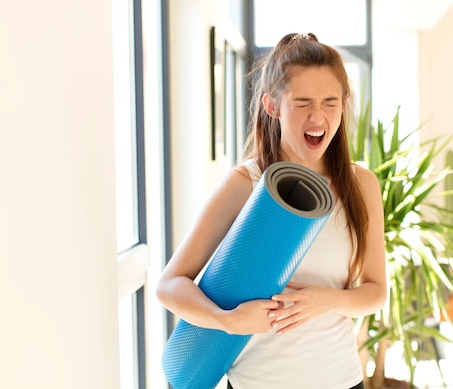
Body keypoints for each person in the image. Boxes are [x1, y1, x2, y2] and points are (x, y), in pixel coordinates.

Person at [156, 32, 387, 389]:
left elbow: (375, 292)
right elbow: (170, 285)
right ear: (272, 105)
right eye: (303, 102)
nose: (318, 116)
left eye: (330, 102)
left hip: (341, 380)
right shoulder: (247, 183)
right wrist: (228, 320)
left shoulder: (362, 185)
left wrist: (323, 301)